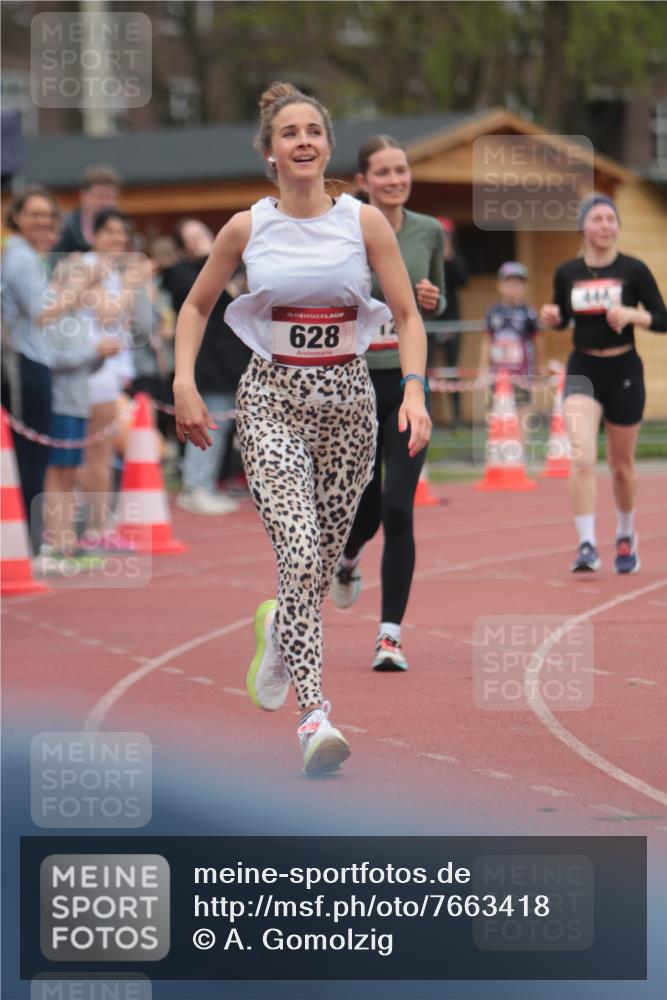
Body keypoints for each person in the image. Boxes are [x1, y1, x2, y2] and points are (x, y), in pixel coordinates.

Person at [173, 83, 431, 775]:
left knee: (320, 561)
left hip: (349, 405)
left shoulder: (363, 222)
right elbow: (196, 308)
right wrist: (183, 383)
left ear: (327, 144)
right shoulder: (246, 227)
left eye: (313, 129)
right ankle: (314, 718)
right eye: (289, 132)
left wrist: (412, 391)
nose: (303, 141)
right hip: (271, 402)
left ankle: (276, 629)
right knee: (297, 558)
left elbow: (405, 316)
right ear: (270, 152)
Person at [329, 135, 444, 673]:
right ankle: (348, 559)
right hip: (352, 383)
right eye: (384, 172)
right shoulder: (343, 226)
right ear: (363, 181)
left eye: (402, 170)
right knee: (364, 508)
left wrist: (430, 302)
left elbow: (433, 303)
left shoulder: (428, 232)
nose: (396, 179)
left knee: (399, 507)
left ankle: (390, 635)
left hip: (407, 384)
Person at [540, 193, 667, 574]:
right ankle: (587, 544)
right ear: (583, 227)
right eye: (598, 219)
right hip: (583, 368)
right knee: (581, 457)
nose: (606, 225)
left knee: (622, 466)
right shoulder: (567, 272)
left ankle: (626, 534)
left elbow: (662, 318)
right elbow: (562, 316)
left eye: (611, 219)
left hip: (624, 369)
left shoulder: (634, 269)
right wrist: (552, 316)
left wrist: (633, 314)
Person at [1, 186, 102, 549]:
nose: (43, 222)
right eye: (35, 214)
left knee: (35, 457)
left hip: (30, 363)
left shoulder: (29, 257)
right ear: (17, 218)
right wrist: (82, 288)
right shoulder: (21, 257)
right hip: (20, 366)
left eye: (48, 216)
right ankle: (25, 544)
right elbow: (41, 314)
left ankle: (27, 540)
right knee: (30, 455)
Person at [162, 218, 248, 516]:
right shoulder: (181, 273)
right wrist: (212, 258)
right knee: (211, 427)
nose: (200, 240)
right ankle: (195, 487)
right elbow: (196, 300)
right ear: (182, 247)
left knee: (224, 430)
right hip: (206, 365)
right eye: (192, 237)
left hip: (233, 364)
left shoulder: (233, 266)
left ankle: (208, 485)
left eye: (202, 233)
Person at [479, 261, 544, 419]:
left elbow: (538, 340)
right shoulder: (492, 312)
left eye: (518, 283)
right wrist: (482, 369)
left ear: (524, 287)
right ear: (500, 285)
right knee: (495, 414)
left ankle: (521, 443)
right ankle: (497, 444)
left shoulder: (529, 313)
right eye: (509, 283)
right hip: (498, 374)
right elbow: (487, 341)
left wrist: (539, 367)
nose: (513, 287)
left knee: (522, 414)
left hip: (522, 374)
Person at [435, 217, 468, 425]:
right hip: (429, 319)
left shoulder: (455, 257)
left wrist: (450, 258)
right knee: (425, 369)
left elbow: (464, 280)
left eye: (447, 235)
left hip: (452, 318)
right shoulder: (426, 256)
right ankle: (426, 414)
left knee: (452, 369)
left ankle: (456, 417)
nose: (444, 239)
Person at [52, 165, 121, 255]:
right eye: (99, 196)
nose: (105, 203)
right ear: (83, 195)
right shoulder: (65, 227)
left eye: (109, 197)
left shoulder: (124, 228)